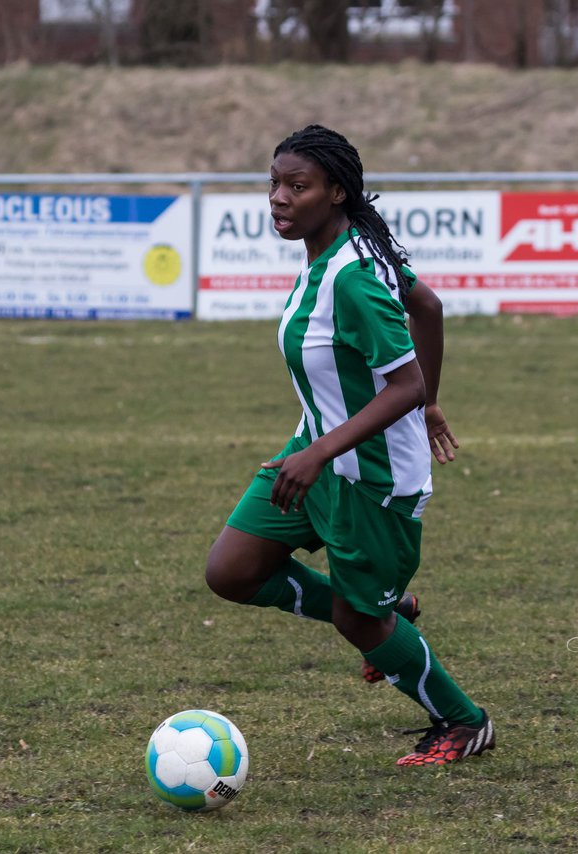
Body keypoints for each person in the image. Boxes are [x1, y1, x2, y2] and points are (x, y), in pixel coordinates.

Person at [204, 125, 495, 765]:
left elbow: (405, 381)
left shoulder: (354, 275)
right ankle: (392, 609)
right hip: (316, 452)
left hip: (370, 475)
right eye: (274, 183)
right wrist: (322, 446)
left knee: (359, 623)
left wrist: (423, 400)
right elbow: (429, 307)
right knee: (231, 572)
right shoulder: (341, 251)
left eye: (296, 186)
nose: (278, 198)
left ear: (336, 192)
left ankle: (463, 721)